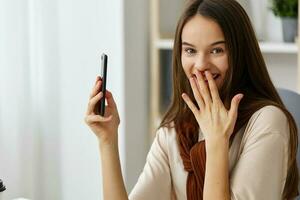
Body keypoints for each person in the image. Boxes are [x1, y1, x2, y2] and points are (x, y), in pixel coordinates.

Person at [84, 0, 299, 199]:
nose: (201, 64)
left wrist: (216, 142)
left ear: (239, 53)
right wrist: (107, 140)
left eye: (217, 50)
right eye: (190, 50)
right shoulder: (175, 130)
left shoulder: (268, 121)